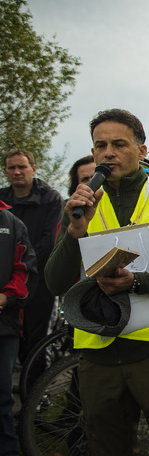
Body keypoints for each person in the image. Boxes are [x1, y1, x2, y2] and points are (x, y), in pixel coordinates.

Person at [44, 108, 149, 456]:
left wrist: (136, 283)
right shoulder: (79, 208)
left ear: (141, 149)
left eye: (119, 144)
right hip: (97, 354)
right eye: (100, 146)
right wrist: (74, 232)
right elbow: (54, 284)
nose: (108, 153)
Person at [0, 149, 63, 372]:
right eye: (11, 168)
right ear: (5, 171)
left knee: (37, 339)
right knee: (12, 338)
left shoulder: (50, 198)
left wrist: (26, 267)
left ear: (33, 169)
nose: (17, 172)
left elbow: (50, 240)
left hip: (40, 281)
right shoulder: (2, 200)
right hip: (8, 283)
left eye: (22, 167)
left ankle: (37, 397)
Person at [0, 201, 36, 456]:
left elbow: (25, 270)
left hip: (4, 323)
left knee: (2, 396)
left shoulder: (12, 223)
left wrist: (5, 297)